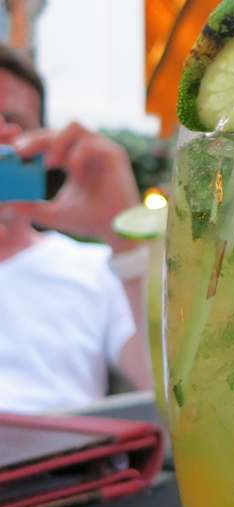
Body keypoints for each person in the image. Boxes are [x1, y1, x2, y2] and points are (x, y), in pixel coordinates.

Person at [0, 44, 150, 414]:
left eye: (11, 121)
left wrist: (124, 239)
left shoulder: (94, 269)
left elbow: (173, 391)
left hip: (66, 451)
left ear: (36, 147)